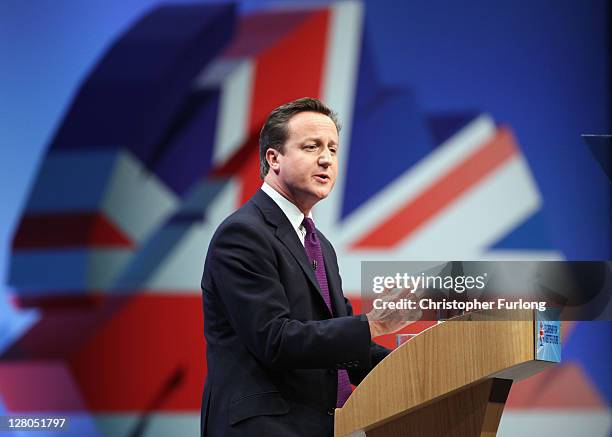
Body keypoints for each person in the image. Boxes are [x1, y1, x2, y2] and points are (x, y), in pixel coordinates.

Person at [200, 97, 419, 436]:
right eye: (312, 146)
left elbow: (340, 345)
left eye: (333, 149)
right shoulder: (243, 233)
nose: (326, 159)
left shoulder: (319, 245)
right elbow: (274, 339)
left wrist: (419, 365)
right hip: (266, 427)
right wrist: (372, 324)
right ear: (274, 158)